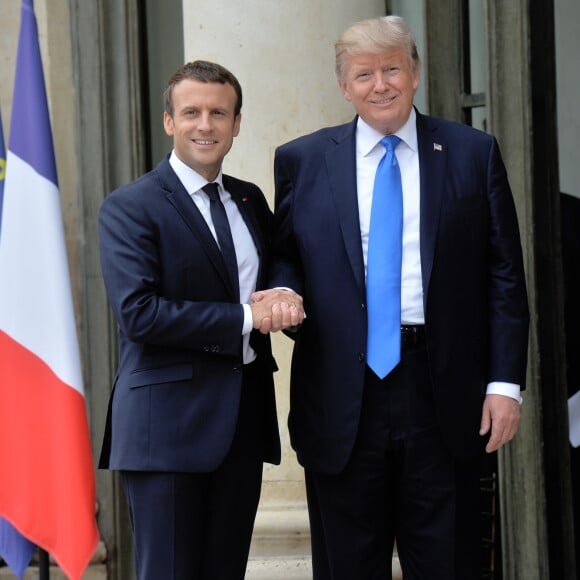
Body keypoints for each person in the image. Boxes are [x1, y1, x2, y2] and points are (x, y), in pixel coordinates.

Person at [263, 16, 529, 579]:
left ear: (415, 74)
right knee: (348, 565)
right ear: (344, 86)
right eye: (364, 74)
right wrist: (285, 288)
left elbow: (504, 273)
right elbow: (283, 251)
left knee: (447, 561)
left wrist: (505, 384)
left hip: (443, 389)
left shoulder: (471, 152)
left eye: (391, 69)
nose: (379, 84)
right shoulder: (302, 160)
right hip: (341, 391)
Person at [98, 59, 303, 580]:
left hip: (241, 426)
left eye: (219, 112)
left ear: (237, 123)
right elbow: (139, 315)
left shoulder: (249, 198)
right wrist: (244, 316)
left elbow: (280, 257)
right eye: (191, 112)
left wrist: (283, 292)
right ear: (169, 121)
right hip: (165, 428)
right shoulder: (131, 207)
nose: (205, 125)